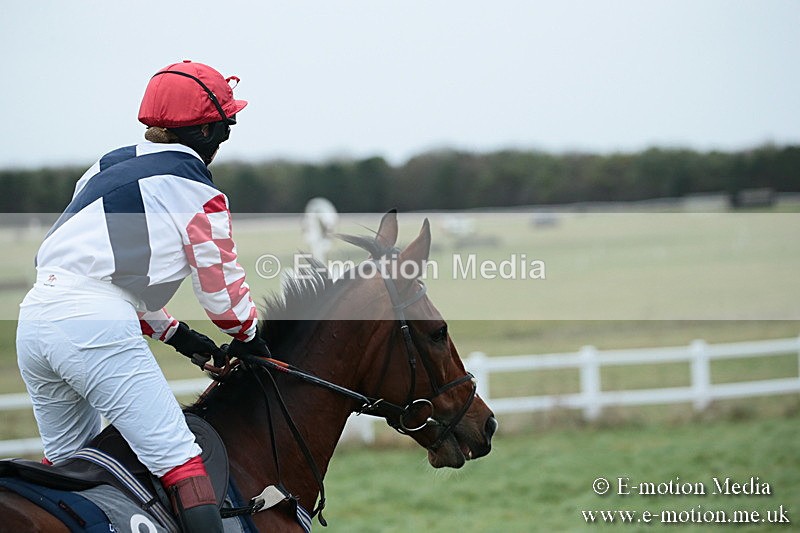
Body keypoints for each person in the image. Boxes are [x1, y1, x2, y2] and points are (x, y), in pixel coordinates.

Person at [16, 60, 270, 532]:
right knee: (181, 461)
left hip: (35, 319)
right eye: (226, 125)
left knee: (72, 471)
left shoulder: (106, 164)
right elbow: (224, 300)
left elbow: (108, 276)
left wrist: (180, 337)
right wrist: (251, 337)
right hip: (93, 324)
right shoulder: (198, 189)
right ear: (213, 131)